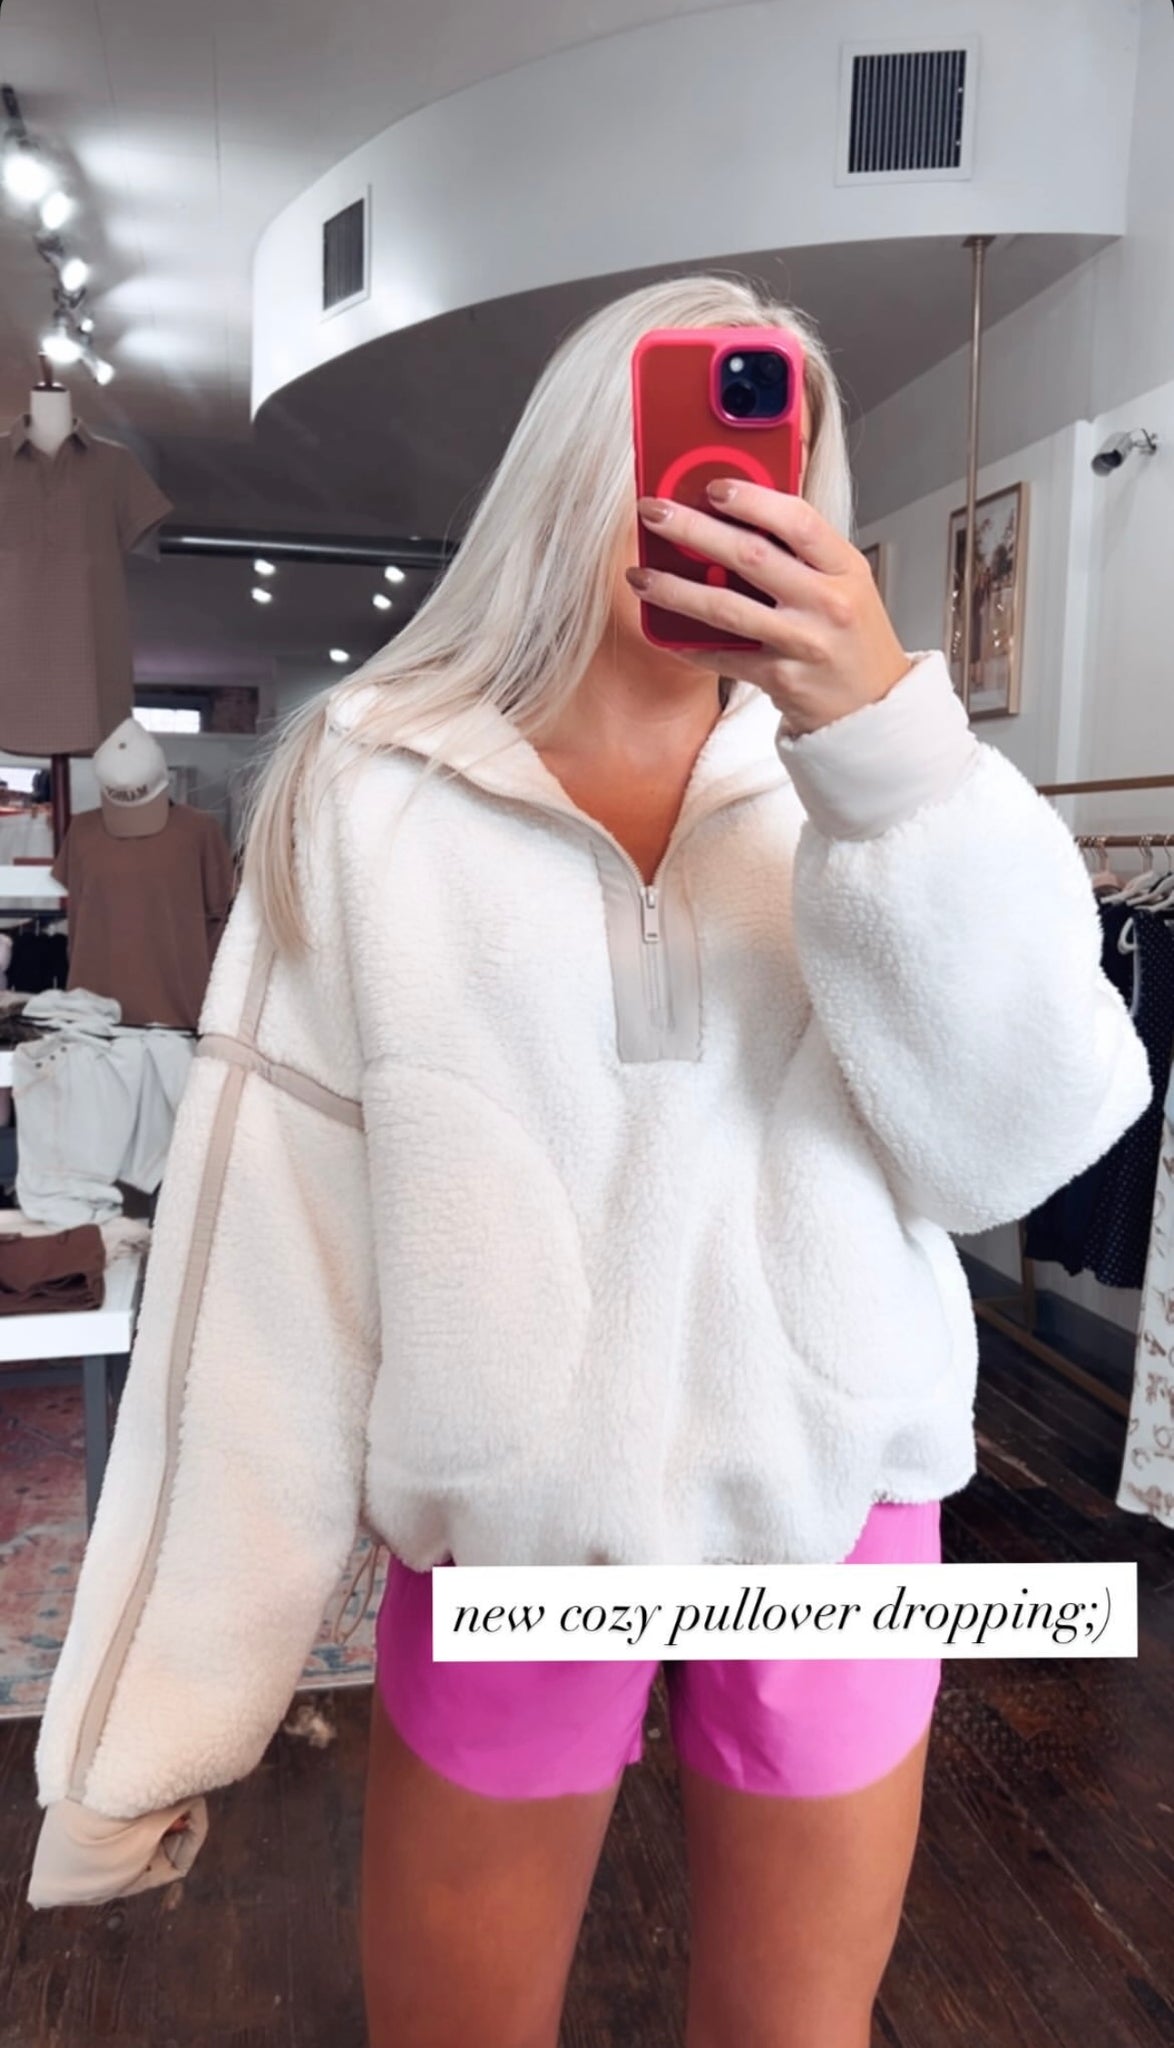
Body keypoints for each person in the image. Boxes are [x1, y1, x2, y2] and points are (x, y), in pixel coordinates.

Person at [27, 276, 1150, 2048]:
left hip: (834, 1524)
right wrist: (143, 1730)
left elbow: (1008, 1153)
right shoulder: (373, 794)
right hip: (510, 1538)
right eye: (668, 438)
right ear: (575, 464)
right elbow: (268, 1274)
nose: (707, 489)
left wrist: (882, 754)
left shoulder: (884, 781)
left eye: (761, 450)